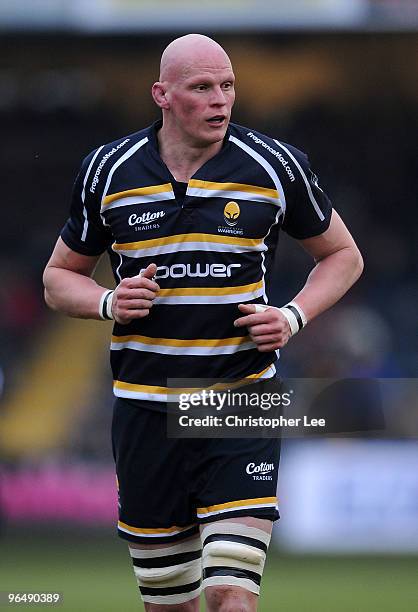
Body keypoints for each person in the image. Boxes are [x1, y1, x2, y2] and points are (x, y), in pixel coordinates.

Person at [43, 34, 363, 612]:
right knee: (170, 605)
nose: (221, 100)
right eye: (202, 88)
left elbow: (344, 255)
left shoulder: (274, 164)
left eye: (228, 86)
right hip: (144, 408)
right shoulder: (108, 170)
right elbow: (58, 278)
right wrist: (110, 302)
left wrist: (293, 316)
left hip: (241, 401)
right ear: (162, 95)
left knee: (228, 596)